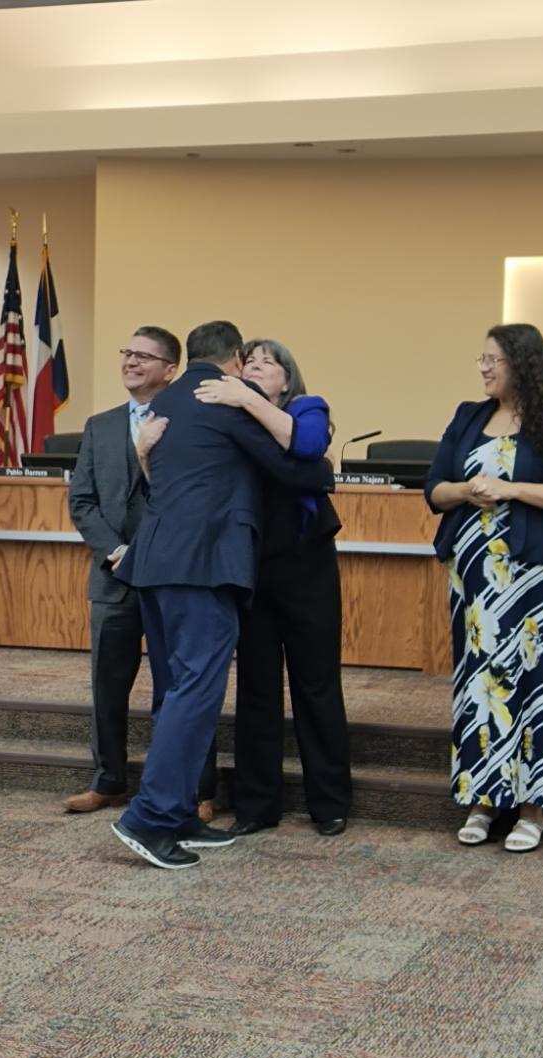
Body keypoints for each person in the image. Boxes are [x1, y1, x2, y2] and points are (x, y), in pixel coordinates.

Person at [111, 321, 335, 870]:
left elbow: (161, 474)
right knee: (196, 689)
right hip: (202, 566)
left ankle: (181, 812)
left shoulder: (170, 403)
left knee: (176, 690)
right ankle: (150, 815)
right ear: (234, 359)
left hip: (156, 565)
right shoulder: (229, 401)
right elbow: (301, 467)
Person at [425, 323, 543, 853]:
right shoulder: (468, 416)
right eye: (481, 359)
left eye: (492, 359)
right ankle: (482, 799)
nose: (482, 368)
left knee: (537, 687)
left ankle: (532, 807)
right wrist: (467, 491)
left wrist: (511, 489)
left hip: (537, 579)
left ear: (521, 363)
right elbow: (435, 489)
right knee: (479, 686)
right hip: (476, 582)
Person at [191, 339, 351, 836]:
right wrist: (315, 474)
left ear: (287, 378)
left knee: (316, 683)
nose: (257, 367)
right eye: (250, 361)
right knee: (257, 688)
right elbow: (304, 469)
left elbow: (306, 448)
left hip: (306, 566)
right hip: (250, 567)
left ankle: (329, 803)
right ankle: (257, 806)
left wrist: (246, 398)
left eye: (269, 362)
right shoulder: (231, 417)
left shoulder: (307, 407)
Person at [65, 326, 180, 813]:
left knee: (176, 685)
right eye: (126, 352)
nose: (130, 362)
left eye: (143, 355)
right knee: (108, 684)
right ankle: (108, 779)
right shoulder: (101, 425)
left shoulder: (187, 421)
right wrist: (115, 550)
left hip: (172, 574)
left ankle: (190, 788)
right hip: (113, 576)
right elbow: (82, 500)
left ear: (169, 370)